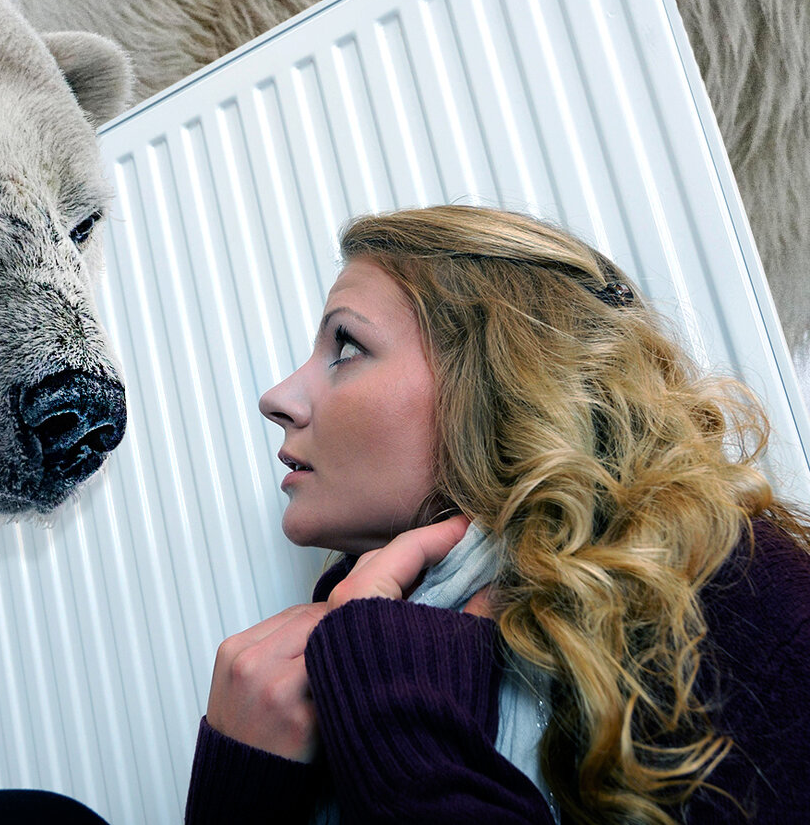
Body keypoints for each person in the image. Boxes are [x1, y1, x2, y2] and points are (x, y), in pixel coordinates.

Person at [184, 205, 810, 824]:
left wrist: (392, 698)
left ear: (500, 377)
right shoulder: (320, 658)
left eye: (346, 344)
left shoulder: (745, 595)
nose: (277, 398)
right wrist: (248, 785)